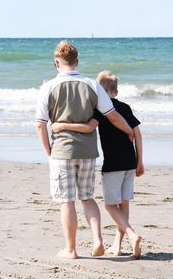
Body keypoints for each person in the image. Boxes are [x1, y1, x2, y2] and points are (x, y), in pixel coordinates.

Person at [36, 41, 134, 259]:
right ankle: (98, 240)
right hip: (88, 151)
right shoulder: (91, 84)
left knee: (67, 201)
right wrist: (129, 131)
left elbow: (40, 124)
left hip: (62, 151)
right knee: (87, 197)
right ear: (77, 62)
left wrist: (48, 152)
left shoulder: (48, 87)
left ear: (56, 63)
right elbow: (112, 115)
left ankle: (71, 249)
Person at [52, 70, 144, 259]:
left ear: (99, 94)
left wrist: (62, 126)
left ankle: (131, 234)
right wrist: (140, 161)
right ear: (116, 91)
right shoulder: (126, 107)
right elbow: (137, 133)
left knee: (111, 205)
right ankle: (117, 246)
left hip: (113, 164)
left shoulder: (101, 110)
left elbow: (88, 128)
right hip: (129, 161)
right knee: (123, 203)